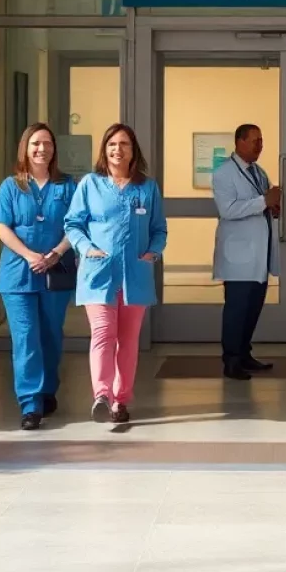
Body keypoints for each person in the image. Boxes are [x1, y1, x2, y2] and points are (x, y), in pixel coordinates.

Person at [64, 123, 167, 424]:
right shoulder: (90, 184)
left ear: (133, 151)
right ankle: (102, 395)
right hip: (98, 274)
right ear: (104, 150)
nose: (117, 150)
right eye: (112, 144)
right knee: (103, 333)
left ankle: (121, 399)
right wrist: (86, 249)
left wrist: (153, 252)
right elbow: (73, 224)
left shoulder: (147, 188)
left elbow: (159, 228)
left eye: (124, 144)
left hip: (135, 274)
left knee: (128, 340)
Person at [0, 123, 76, 431]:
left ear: (54, 149)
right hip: (18, 275)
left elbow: (76, 225)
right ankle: (30, 403)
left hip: (56, 272)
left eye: (47, 143)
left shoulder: (67, 186)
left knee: (51, 335)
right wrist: (29, 255)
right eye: (36, 143)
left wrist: (56, 254)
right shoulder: (11, 187)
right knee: (26, 339)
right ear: (25, 148)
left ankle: (47, 389)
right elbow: (1, 226)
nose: (42, 149)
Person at [212, 123, 280, 380]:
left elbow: (265, 201)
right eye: (255, 141)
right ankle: (231, 360)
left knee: (253, 307)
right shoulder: (224, 173)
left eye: (261, 141)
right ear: (239, 142)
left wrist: (273, 206)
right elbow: (228, 210)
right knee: (237, 309)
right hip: (238, 255)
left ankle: (244, 354)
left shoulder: (259, 172)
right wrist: (264, 201)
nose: (260, 146)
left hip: (258, 253)